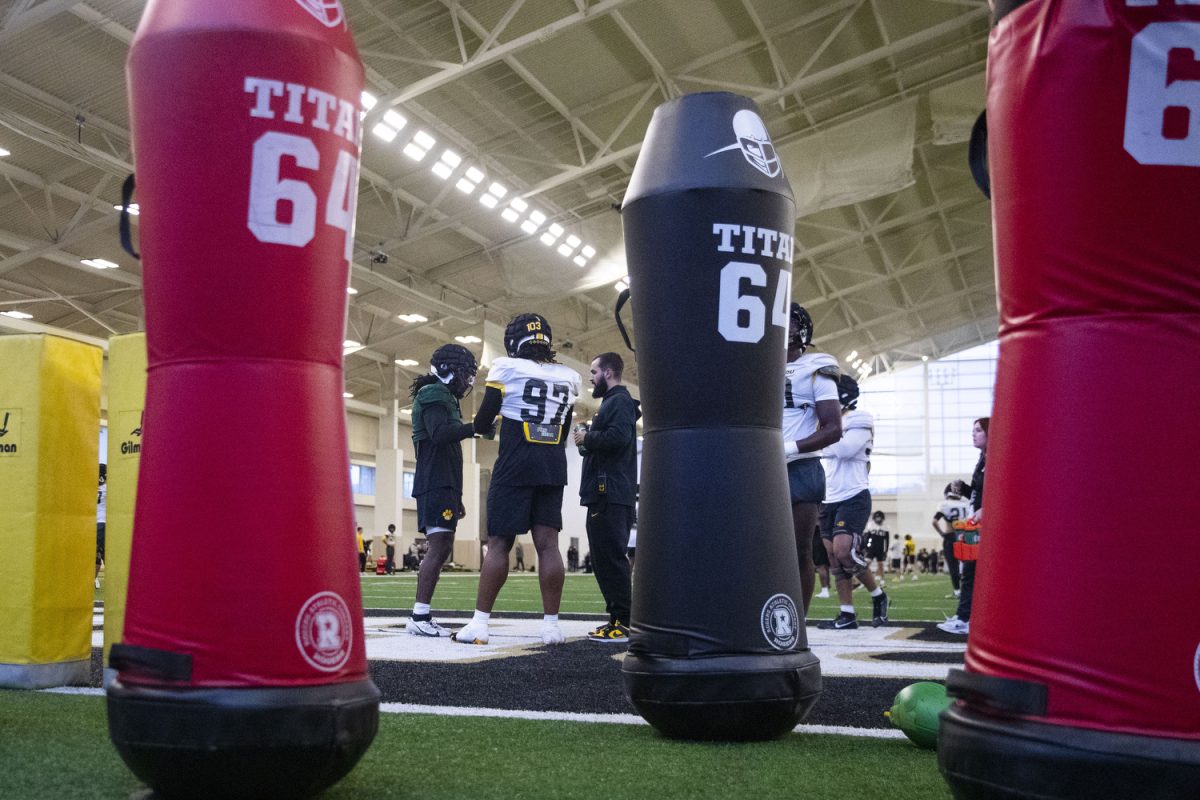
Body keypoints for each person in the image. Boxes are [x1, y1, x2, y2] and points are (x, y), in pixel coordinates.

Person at [453, 313, 581, 646]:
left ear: (514, 341)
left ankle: (480, 623)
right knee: (548, 545)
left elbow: (481, 422)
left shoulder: (506, 368)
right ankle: (552, 626)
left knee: (499, 544)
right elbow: (564, 430)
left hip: (515, 463)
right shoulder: (570, 376)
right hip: (553, 465)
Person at [404, 343, 479, 637]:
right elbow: (439, 435)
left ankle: (421, 614)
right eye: (463, 372)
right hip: (434, 480)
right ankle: (419, 615)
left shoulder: (444, 395)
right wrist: (475, 427)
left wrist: (456, 495)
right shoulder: (433, 393)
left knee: (443, 545)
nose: (467, 380)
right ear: (447, 370)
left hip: (442, 482)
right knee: (439, 547)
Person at [573, 352, 641, 643]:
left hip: (610, 494)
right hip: (605, 493)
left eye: (594, 372)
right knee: (603, 560)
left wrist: (588, 437)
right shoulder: (611, 404)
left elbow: (618, 439)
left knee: (610, 559)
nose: (591, 377)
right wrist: (586, 439)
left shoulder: (620, 403)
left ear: (609, 373)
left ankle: (625, 622)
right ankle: (616, 619)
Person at [815, 375, 889, 629]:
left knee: (845, 552)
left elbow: (844, 451)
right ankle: (847, 613)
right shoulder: (828, 423)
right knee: (834, 560)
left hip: (853, 495)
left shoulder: (859, 419)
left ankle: (878, 596)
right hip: (829, 496)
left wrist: (818, 440)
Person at [783, 304, 843, 611]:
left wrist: (789, 448)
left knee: (797, 550)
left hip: (800, 468)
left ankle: (796, 627)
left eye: (790, 321)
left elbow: (833, 427)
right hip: (757, 468)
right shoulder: (755, 363)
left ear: (802, 330)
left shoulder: (818, 364)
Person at [939, 417, 988, 635]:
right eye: (973, 430)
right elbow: (979, 493)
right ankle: (965, 616)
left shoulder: (998, 458)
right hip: (976, 523)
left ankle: (967, 618)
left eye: (978, 430)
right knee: (969, 571)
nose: (973, 434)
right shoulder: (982, 459)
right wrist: (965, 490)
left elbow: (1004, 491)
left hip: (989, 525)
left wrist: (988, 508)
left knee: (973, 572)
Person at [932, 480, 971, 598]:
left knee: (953, 566)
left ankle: (957, 591)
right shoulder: (966, 504)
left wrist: (942, 534)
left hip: (951, 536)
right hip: (965, 536)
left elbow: (934, 521)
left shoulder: (944, 504)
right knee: (966, 565)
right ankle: (967, 590)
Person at [863, 510, 889, 586]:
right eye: (877, 517)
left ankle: (882, 581)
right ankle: (865, 580)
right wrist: (866, 548)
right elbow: (866, 538)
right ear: (874, 518)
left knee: (880, 565)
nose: (878, 519)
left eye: (879, 517)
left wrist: (886, 551)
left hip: (880, 549)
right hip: (871, 548)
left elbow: (887, 540)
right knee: (866, 564)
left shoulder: (885, 527)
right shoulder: (870, 525)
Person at [95, 464, 107, 589]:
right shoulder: (107, 488)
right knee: (105, 556)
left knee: (96, 556)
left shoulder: (89, 488)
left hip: (91, 525)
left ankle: (93, 580)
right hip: (102, 524)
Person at [813, 526, 831, 599]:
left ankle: (824, 590)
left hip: (818, 537)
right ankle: (827, 586)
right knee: (825, 565)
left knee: (820, 566)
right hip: (826, 537)